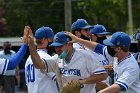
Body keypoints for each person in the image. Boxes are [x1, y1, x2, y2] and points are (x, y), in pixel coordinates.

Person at [27, 29, 107, 93]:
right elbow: (38, 65)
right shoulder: (56, 59)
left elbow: (103, 75)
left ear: (70, 44)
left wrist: (83, 81)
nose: (57, 49)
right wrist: (31, 45)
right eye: (56, 47)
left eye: (60, 46)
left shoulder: (85, 56)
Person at [66, 31, 140, 93]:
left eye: (111, 46)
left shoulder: (131, 66)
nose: (108, 47)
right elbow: (98, 48)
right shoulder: (116, 55)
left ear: (118, 48)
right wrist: (79, 40)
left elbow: (119, 86)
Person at [25, 26, 58, 93]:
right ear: (43, 40)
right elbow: (58, 79)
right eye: (50, 39)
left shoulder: (29, 58)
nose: (52, 42)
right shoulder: (46, 57)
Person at [90, 24, 112, 90]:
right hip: (93, 88)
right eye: (101, 35)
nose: (104, 37)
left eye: (104, 35)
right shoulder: (86, 52)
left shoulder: (107, 50)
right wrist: (102, 69)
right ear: (93, 36)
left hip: (107, 87)